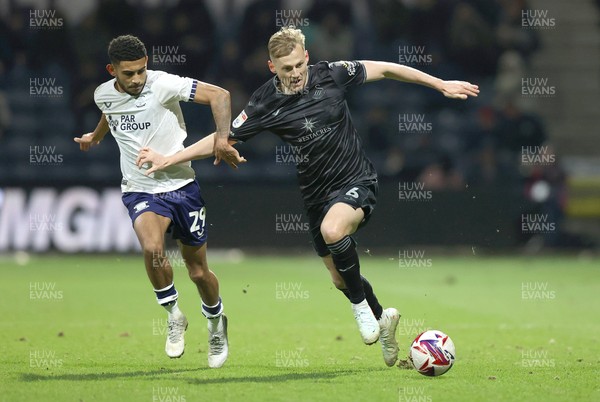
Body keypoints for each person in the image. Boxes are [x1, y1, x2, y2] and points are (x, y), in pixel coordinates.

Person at [136, 27, 479, 367]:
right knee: (338, 277)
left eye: (300, 65)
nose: (296, 73)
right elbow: (221, 138)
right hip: (315, 195)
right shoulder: (264, 102)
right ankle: (380, 320)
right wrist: (170, 158)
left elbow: (387, 68)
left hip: (356, 179)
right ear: (273, 67)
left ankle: (361, 311)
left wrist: (439, 84)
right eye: (287, 68)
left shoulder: (332, 74)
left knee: (334, 232)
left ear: (307, 58)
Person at [74, 35, 244, 368]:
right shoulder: (102, 94)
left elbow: (220, 95)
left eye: (141, 71)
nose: (137, 79)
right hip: (139, 188)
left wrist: (222, 139)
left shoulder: (163, 84)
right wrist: (96, 137)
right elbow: (111, 110)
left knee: (198, 272)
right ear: (113, 71)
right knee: (152, 249)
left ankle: (215, 322)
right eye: (128, 74)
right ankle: (174, 315)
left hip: (181, 186)